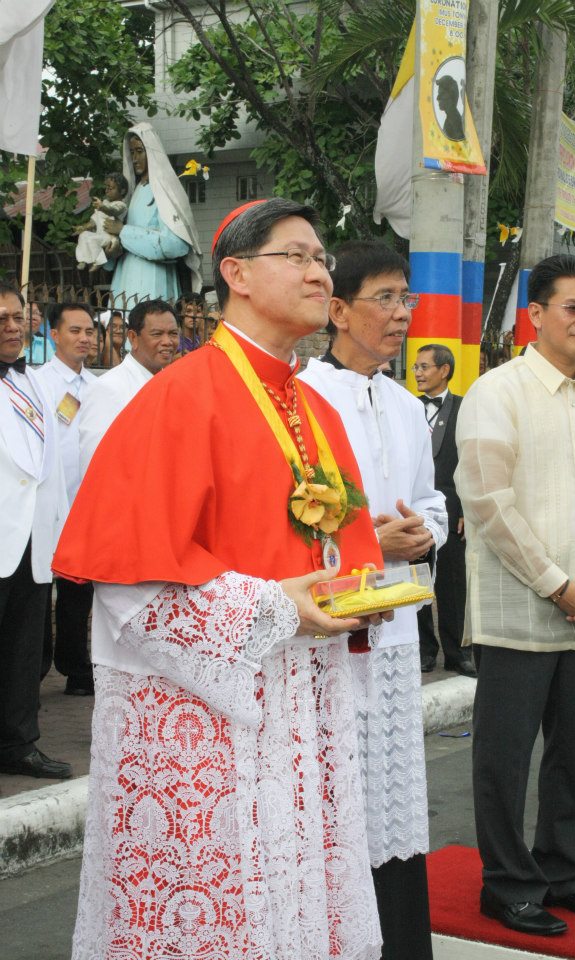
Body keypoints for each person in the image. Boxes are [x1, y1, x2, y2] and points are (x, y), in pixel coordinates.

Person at [52, 198, 385, 960]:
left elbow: (336, 547)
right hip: (211, 720)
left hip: (303, 699)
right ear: (234, 272)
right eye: (296, 255)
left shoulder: (314, 407)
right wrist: (274, 607)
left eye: (321, 256)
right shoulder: (177, 396)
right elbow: (130, 585)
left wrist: (355, 592)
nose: (318, 270)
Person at [456, 254, 575, 936]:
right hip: (520, 616)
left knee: (574, 758)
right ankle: (506, 885)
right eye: (573, 308)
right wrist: (558, 585)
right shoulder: (497, 393)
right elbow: (488, 502)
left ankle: (564, 874)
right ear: (535, 315)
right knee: (503, 758)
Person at [300, 240, 448, 960]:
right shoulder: (303, 399)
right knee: (335, 813)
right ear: (337, 310)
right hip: (329, 635)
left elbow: (430, 501)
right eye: (385, 299)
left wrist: (425, 532)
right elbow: (293, 519)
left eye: (406, 299)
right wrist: (368, 544)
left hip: (395, 635)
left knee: (391, 808)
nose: (401, 315)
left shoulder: (403, 403)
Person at [0, 284, 70, 779]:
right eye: (1, 318)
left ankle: (17, 743)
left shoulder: (36, 382)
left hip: (31, 540)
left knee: (24, 651)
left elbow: (53, 465)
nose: (11, 326)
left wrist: (63, 528)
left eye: (17, 317)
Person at [35, 303, 97, 695]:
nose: (84, 338)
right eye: (75, 331)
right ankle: (36, 669)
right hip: (49, 501)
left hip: (86, 506)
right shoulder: (38, 383)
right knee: (41, 592)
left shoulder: (97, 387)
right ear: (54, 335)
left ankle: (75, 666)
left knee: (79, 592)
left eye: (90, 331)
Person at [414, 343, 475, 677]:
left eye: (424, 367)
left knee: (452, 585)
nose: (419, 374)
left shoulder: (464, 408)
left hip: (451, 510)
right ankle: (425, 650)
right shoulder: (406, 407)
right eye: (416, 368)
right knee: (417, 582)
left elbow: (471, 461)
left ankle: (458, 652)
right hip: (412, 511)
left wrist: (466, 507)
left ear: (444, 370)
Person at [105, 123, 202, 309]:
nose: (135, 158)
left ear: (152, 151)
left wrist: (124, 232)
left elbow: (177, 245)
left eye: (139, 151)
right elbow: (116, 246)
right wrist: (109, 250)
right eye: (132, 152)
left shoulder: (168, 191)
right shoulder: (130, 194)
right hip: (124, 279)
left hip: (155, 279)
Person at [79, 299, 179, 475]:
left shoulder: (172, 384)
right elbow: (95, 464)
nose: (167, 341)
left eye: (173, 333)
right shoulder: (108, 388)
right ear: (133, 338)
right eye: (157, 334)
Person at [75, 173, 129, 273]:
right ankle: (83, 260)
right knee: (83, 235)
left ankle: (99, 262)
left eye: (111, 188)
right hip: (100, 235)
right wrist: (83, 227)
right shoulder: (104, 203)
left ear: (122, 191)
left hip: (110, 238)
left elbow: (113, 211)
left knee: (92, 240)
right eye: (107, 187)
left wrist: (102, 207)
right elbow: (94, 221)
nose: (107, 190)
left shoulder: (121, 205)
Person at [435, 74, 465, 141]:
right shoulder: (450, 120)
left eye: (441, 94)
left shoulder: (455, 122)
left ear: (451, 95)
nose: (437, 98)